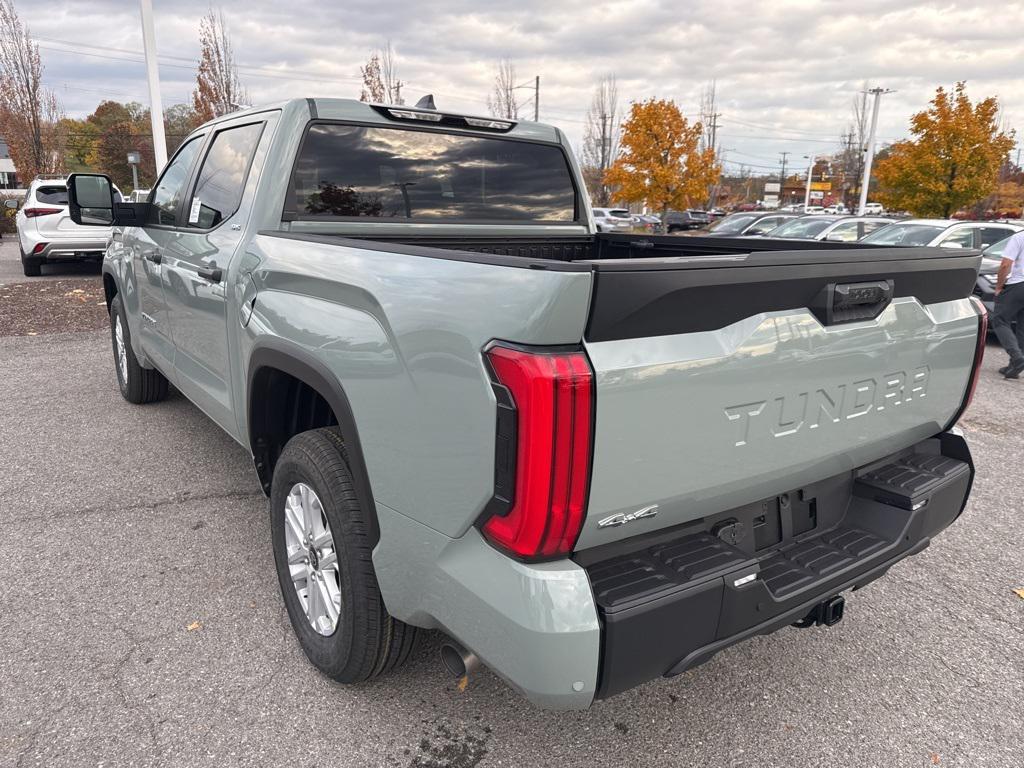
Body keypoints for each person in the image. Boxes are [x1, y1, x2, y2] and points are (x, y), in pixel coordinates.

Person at [992, 230, 1024, 379]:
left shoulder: (1019, 237)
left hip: (1019, 284)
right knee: (1022, 327)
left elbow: (1005, 265)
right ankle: (1014, 367)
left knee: (999, 320)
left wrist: (999, 286)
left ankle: (1017, 357)